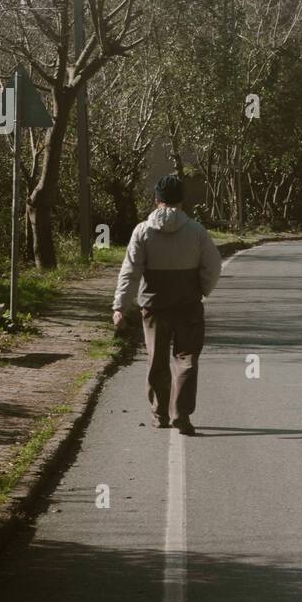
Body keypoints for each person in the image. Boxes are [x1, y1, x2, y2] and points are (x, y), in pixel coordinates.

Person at [112, 174, 222, 435]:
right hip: (188, 305)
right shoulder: (196, 231)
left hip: (154, 307)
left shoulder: (143, 231)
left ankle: (160, 413)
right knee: (187, 360)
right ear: (182, 201)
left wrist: (120, 306)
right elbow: (213, 266)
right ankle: (181, 415)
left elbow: (130, 272)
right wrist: (202, 288)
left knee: (156, 360)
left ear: (156, 200)